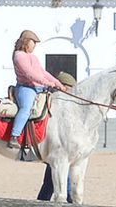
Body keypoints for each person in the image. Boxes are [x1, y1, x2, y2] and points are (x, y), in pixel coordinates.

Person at [11, 29, 71, 159]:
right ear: (26, 42)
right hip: (26, 88)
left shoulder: (33, 57)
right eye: (33, 42)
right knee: (26, 109)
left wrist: (58, 84)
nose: (35, 45)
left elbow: (43, 72)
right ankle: (14, 136)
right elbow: (29, 74)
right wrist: (46, 83)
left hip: (38, 88)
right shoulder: (19, 55)